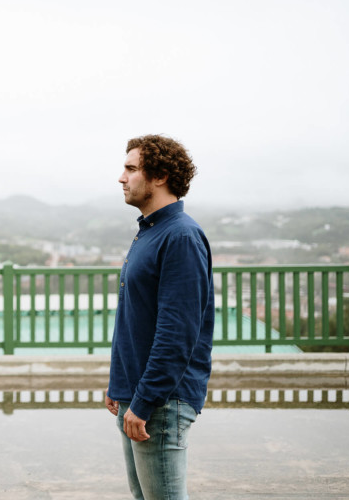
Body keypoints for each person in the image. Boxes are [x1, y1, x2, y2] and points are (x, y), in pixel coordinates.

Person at [105, 135, 215, 500]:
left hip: (159, 403)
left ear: (160, 176)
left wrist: (145, 401)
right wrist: (119, 385)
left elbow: (177, 334)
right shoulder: (149, 233)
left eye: (131, 168)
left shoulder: (180, 237)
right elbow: (135, 318)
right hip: (136, 396)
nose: (122, 177)